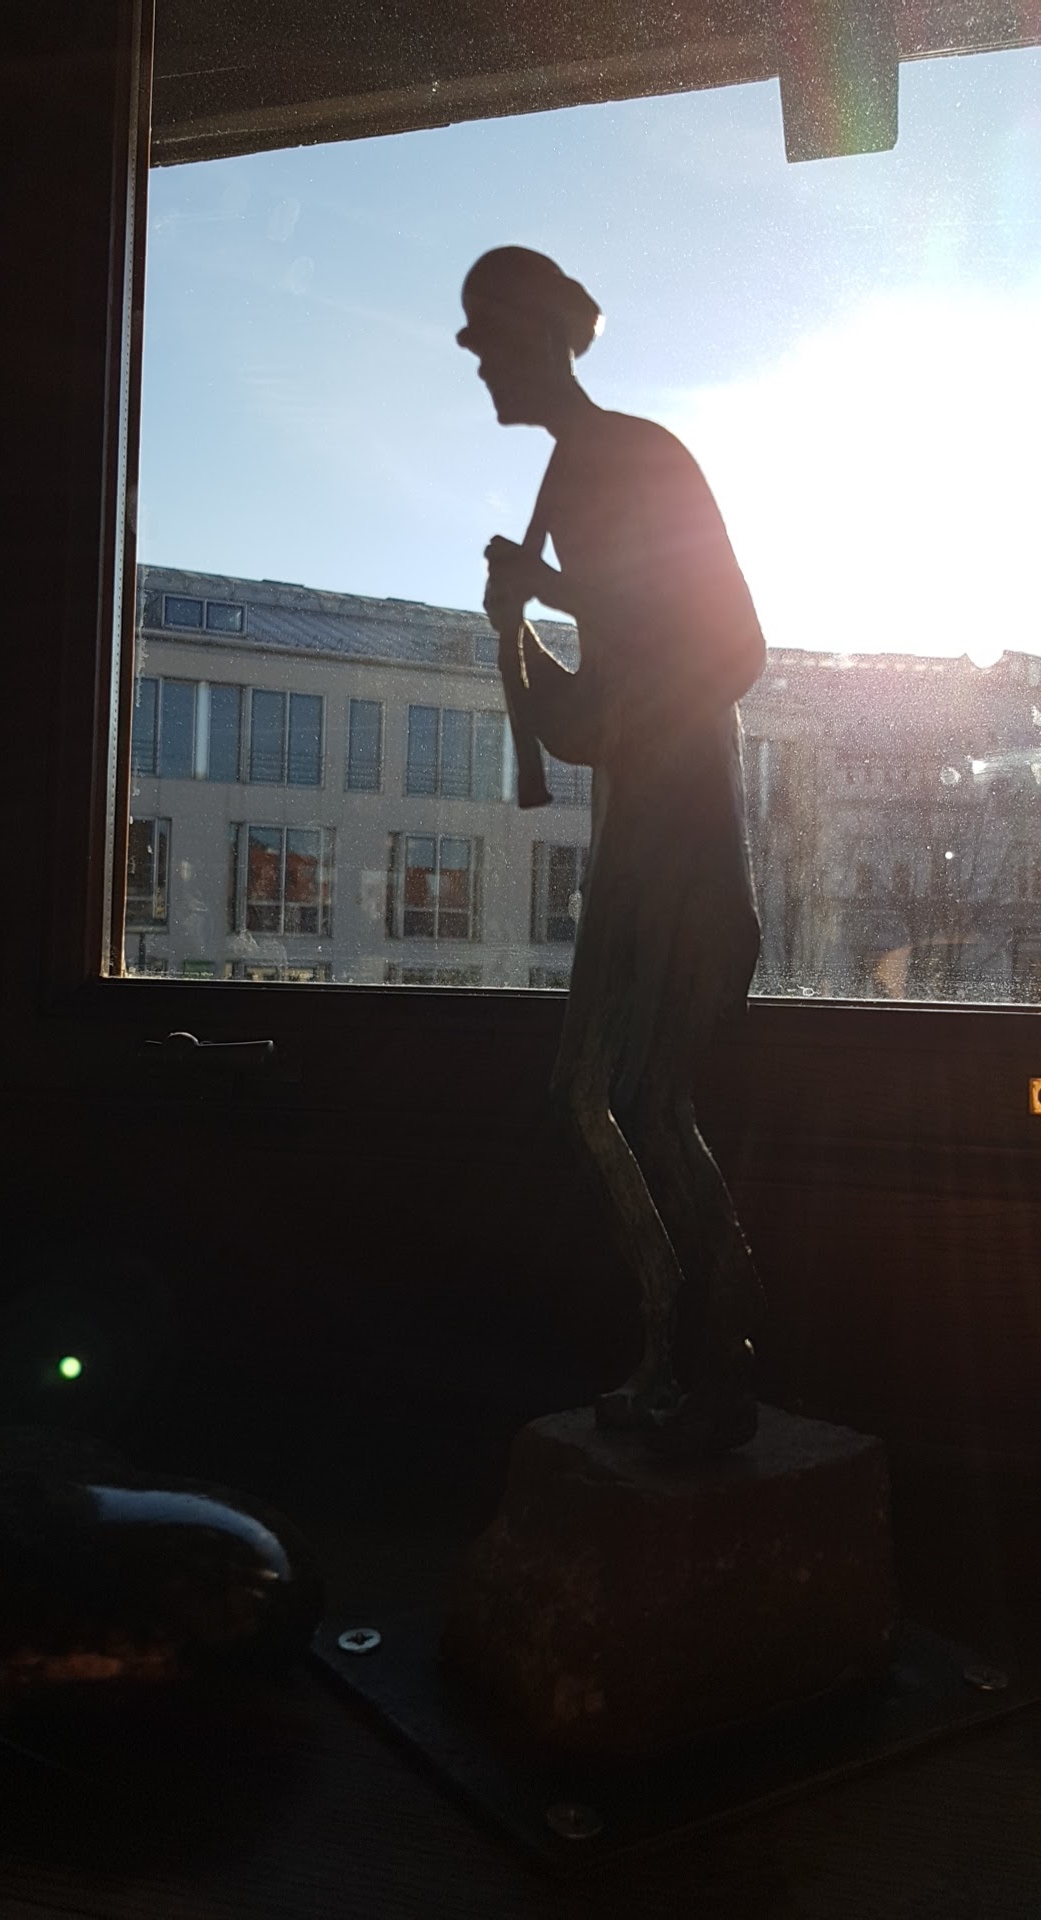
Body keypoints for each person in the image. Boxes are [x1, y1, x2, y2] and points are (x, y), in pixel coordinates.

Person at [458, 246, 767, 1459]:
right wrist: (520, 633)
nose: (477, 361)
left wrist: (559, 592)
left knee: (633, 1093)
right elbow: (592, 724)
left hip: (683, 837)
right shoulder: (572, 474)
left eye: (487, 336)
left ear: (540, 337)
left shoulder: (637, 458)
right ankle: (680, 1342)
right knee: (592, 1092)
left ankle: (713, 1353)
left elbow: (730, 643)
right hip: (634, 831)